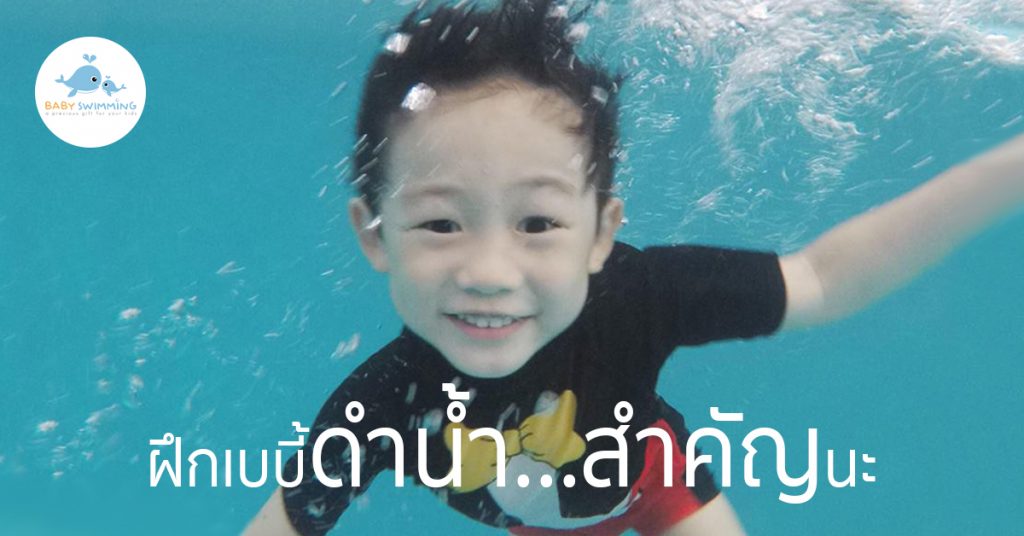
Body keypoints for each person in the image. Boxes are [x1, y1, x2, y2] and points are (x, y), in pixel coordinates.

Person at [244, 1, 1024, 534]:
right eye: (441, 222)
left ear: (600, 234)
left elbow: (822, 278)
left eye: (538, 222)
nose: (489, 272)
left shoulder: (639, 297)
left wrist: (1006, 173)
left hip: (653, 482)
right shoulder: (381, 403)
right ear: (376, 234)